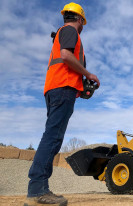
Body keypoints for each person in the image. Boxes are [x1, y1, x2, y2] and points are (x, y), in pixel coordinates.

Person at [25, 2, 100, 206]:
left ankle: (38, 188)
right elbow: (66, 56)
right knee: (53, 137)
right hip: (61, 89)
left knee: (52, 136)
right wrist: (88, 74)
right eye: (82, 22)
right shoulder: (70, 31)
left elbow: (63, 62)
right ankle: (37, 190)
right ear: (79, 19)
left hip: (56, 88)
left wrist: (79, 85)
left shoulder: (61, 32)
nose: (82, 25)